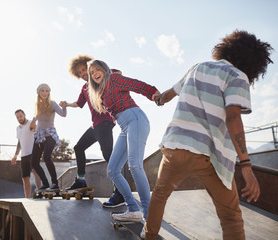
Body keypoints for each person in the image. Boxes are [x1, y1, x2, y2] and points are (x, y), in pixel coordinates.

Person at [144, 30, 273, 240]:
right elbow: (233, 117)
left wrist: (157, 98)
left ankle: (149, 236)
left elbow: (166, 96)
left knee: (159, 196)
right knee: (230, 217)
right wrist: (247, 166)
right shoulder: (237, 76)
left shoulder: (198, 67)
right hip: (209, 155)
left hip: (174, 148)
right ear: (254, 64)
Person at [88, 60, 160, 225]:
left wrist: (153, 93)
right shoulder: (101, 92)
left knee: (134, 165)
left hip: (135, 119)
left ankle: (150, 219)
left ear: (104, 69)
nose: (94, 73)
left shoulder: (113, 79)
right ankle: (133, 210)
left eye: (97, 69)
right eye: (92, 72)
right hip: (124, 127)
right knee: (112, 170)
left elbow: (135, 84)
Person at [60, 55, 125, 207]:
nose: (83, 74)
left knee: (108, 155)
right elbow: (79, 103)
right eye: (80, 73)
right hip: (95, 125)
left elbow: (118, 73)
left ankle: (120, 191)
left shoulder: (99, 78)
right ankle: (81, 181)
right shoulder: (84, 88)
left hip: (106, 121)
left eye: (84, 70)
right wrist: (67, 104)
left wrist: (102, 74)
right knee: (78, 147)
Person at [30, 83, 67, 191]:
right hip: (39, 135)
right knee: (34, 162)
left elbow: (63, 114)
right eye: (42, 91)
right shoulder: (37, 105)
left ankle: (55, 184)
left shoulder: (53, 104)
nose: (45, 93)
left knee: (46, 157)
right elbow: (35, 117)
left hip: (50, 135)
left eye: (47, 91)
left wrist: (64, 107)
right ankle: (45, 184)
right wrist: (32, 123)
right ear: (38, 92)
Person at [11, 109, 42, 198]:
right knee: (25, 178)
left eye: (21, 116)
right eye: (17, 117)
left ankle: (39, 193)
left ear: (24, 115)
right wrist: (16, 155)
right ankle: (27, 198)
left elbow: (37, 134)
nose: (19, 118)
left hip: (32, 152)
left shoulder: (30, 124)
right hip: (24, 155)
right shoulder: (18, 128)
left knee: (35, 171)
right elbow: (19, 142)